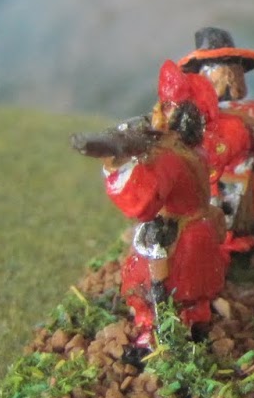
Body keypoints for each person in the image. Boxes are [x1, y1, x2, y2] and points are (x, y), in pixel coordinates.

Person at [76, 61, 228, 356]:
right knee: (195, 292)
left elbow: (142, 204)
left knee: (148, 287)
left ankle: (155, 337)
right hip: (200, 230)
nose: (158, 111)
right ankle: (196, 322)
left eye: (167, 106)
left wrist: (115, 166)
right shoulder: (193, 149)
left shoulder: (169, 157)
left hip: (177, 236)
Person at [179, 27, 254, 256]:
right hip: (210, 173)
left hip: (243, 170)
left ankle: (250, 239)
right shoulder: (196, 114)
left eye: (232, 70)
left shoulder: (250, 112)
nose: (225, 77)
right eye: (213, 70)